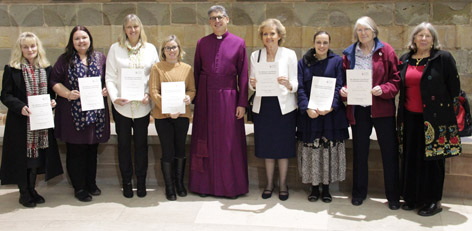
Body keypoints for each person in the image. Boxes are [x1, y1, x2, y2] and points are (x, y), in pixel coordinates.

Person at [397, 22, 461, 216]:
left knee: (433, 161)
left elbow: (454, 88)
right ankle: (411, 197)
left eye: (428, 36)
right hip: (409, 116)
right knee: (411, 158)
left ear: (433, 40)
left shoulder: (443, 59)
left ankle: (432, 201)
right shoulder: (406, 59)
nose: (423, 39)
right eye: (420, 35)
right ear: (414, 38)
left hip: (434, 119)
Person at [340, 16, 401, 209]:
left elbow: (397, 80)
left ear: (374, 31)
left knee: (389, 153)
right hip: (359, 109)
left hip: (382, 109)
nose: (363, 33)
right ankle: (359, 192)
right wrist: (344, 91)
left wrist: (384, 89)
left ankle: (393, 196)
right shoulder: (349, 54)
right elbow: (343, 81)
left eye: (366, 29)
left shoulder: (386, 51)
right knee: (359, 152)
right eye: (359, 30)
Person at [189, 5, 249, 198]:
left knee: (227, 142)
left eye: (220, 17)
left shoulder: (239, 43)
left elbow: (244, 76)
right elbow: (196, 72)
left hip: (229, 99)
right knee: (204, 139)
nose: (217, 21)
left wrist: (241, 103)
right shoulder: (202, 43)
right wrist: (197, 100)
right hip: (206, 99)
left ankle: (230, 186)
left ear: (227, 19)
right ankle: (203, 186)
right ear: (209, 22)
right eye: (213, 18)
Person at [1, 32, 63, 207]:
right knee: (23, 159)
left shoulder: (46, 68)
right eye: (26, 46)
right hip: (21, 123)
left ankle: (32, 188)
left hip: (41, 124)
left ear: (38, 48)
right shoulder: (12, 69)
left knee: (37, 158)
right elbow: (5, 95)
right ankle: (24, 191)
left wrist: (53, 101)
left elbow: (52, 93)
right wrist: (20, 106)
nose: (30, 50)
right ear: (20, 49)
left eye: (33, 46)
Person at [50, 26, 110, 202]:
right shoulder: (65, 59)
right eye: (77, 38)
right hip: (73, 114)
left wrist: (106, 90)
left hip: (95, 113)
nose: (81, 41)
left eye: (84, 37)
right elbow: (54, 81)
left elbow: (108, 80)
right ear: (72, 41)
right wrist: (68, 93)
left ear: (89, 39)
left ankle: (91, 183)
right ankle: (79, 187)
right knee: (76, 151)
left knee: (92, 149)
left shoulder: (100, 58)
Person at [106, 14, 159, 198]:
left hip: (142, 107)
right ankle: (127, 182)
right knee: (123, 146)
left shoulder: (150, 49)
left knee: (141, 146)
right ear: (124, 29)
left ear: (140, 28)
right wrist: (114, 98)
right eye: (129, 27)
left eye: (135, 26)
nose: (132, 30)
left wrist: (149, 96)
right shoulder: (115, 49)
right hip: (122, 107)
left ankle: (142, 182)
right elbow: (110, 77)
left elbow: (155, 77)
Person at [296, 31, 349, 203]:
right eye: (318, 42)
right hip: (310, 114)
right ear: (313, 42)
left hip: (330, 115)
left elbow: (339, 85)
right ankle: (313, 188)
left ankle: (326, 188)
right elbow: (301, 88)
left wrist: (331, 106)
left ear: (329, 44)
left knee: (327, 150)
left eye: (325, 42)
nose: (321, 46)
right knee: (312, 150)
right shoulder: (303, 62)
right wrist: (307, 108)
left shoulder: (337, 62)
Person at [248, 18, 298, 201]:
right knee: (267, 148)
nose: (268, 37)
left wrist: (288, 84)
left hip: (284, 108)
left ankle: (283, 184)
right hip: (264, 107)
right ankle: (269, 183)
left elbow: (296, 82)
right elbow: (251, 83)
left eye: (272, 33)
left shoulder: (289, 55)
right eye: (265, 34)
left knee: (283, 148)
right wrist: (253, 84)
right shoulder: (256, 55)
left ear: (279, 36)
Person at [149, 35, 196, 201]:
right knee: (167, 150)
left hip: (182, 115)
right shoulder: (157, 68)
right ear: (163, 51)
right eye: (167, 48)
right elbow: (154, 92)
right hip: (163, 116)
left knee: (180, 150)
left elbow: (192, 90)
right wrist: (168, 110)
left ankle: (179, 184)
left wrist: (188, 98)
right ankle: (169, 187)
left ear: (179, 49)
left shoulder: (187, 68)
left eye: (174, 47)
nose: (171, 51)